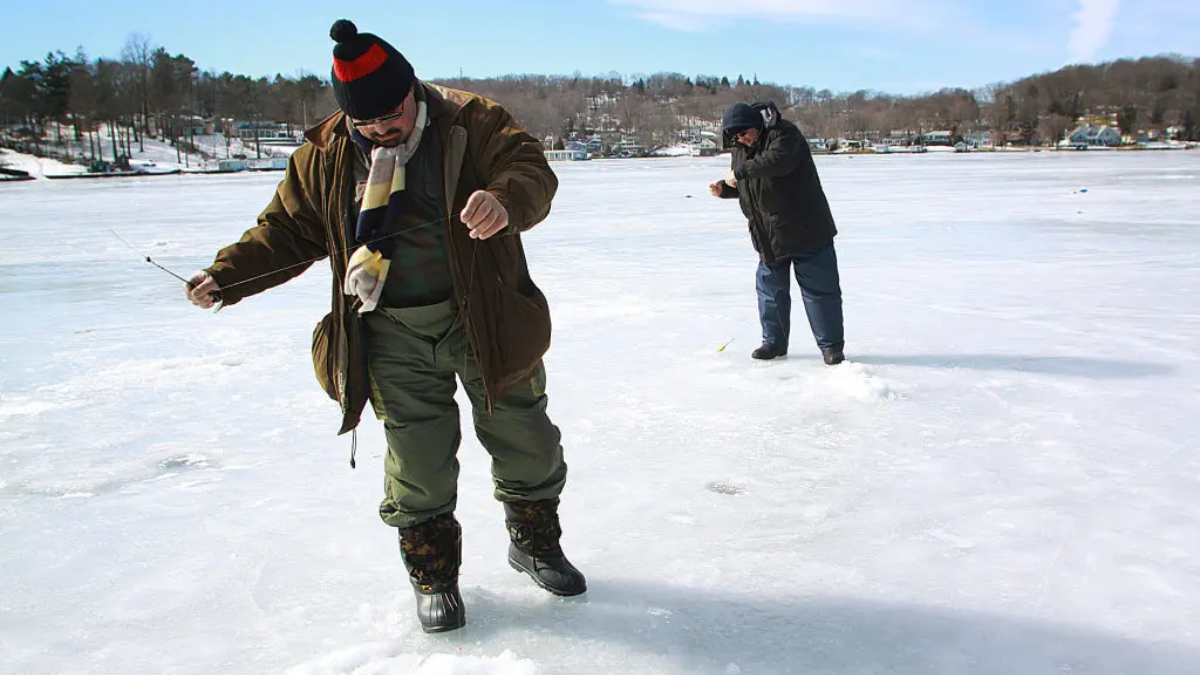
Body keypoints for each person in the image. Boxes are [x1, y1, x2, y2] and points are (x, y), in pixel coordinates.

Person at [183, 19, 585, 634]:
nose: (381, 131)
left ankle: (533, 544)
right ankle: (434, 578)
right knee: (416, 462)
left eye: (390, 116)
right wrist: (226, 277)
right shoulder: (326, 155)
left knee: (525, 436)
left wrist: (504, 198)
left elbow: (532, 170)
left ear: (411, 91)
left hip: (484, 315)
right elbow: (289, 231)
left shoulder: (471, 121)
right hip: (388, 328)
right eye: (365, 124)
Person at [709, 101, 846, 365]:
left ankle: (831, 347)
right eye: (735, 136)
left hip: (807, 231)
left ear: (756, 124)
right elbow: (753, 185)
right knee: (770, 294)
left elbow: (776, 163)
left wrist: (739, 172)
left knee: (820, 292)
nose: (742, 139)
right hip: (769, 236)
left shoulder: (784, 134)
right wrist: (726, 190)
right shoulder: (740, 149)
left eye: (744, 132)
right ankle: (774, 343)